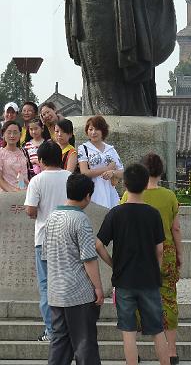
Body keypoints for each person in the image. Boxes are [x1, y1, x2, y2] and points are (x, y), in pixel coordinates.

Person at [96, 163, 169, 365]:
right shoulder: (153, 214)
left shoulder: (115, 213)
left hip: (124, 280)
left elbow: (98, 244)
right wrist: (156, 270)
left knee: (128, 331)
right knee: (157, 330)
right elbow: (160, 250)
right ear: (146, 184)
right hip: (149, 280)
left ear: (124, 185)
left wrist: (113, 264)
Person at [121, 153, 182, 363]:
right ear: (161, 170)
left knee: (134, 301)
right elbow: (175, 229)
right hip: (166, 251)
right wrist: (179, 254)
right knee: (169, 299)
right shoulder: (169, 196)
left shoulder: (128, 195)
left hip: (138, 255)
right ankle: (171, 351)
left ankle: (133, 351)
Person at [43, 174, 104, 365]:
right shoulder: (80, 219)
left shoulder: (52, 217)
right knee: (85, 343)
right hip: (78, 293)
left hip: (56, 293)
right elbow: (88, 258)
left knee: (60, 344)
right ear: (87, 196)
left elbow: (45, 255)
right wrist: (98, 288)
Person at [24, 140, 71, 342]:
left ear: (41, 160)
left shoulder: (37, 180)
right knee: (67, 283)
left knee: (46, 286)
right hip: (68, 237)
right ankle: (69, 328)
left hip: (44, 238)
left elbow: (30, 210)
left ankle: (51, 331)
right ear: (61, 157)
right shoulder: (70, 177)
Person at [78, 115, 124, 208]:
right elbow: (84, 172)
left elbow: (122, 172)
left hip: (110, 192)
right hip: (92, 191)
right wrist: (107, 168)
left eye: (97, 129)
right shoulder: (83, 148)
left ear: (103, 130)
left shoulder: (111, 149)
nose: (93, 132)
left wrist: (112, 173)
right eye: (90, 129)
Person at [0, 121, 28, 191]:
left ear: (20, 135)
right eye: (9, 132)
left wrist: (22, 189)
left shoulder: (23, 152)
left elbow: (22, 175)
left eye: (15, 132)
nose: (12, 136)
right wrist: (12, 191)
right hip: (7, 194)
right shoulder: (1, 153)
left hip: (24, 192)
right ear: (3, 134)